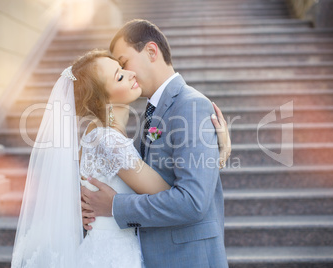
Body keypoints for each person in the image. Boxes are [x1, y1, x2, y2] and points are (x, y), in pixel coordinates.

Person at [11, 49, 230, 267]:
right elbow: (172, 193)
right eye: (120, 76)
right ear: (101, 98)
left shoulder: (100, 133)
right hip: (115, 256)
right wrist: (212, 151)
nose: (131, 74)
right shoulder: (108, 140)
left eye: (123, 68)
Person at [81, 19, 230, 268]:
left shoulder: (191, 105)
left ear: (151, 51)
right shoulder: (147, 116)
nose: (125, 73)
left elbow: (193, 201)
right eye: (119, 70)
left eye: (124, 62)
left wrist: (115, 206)